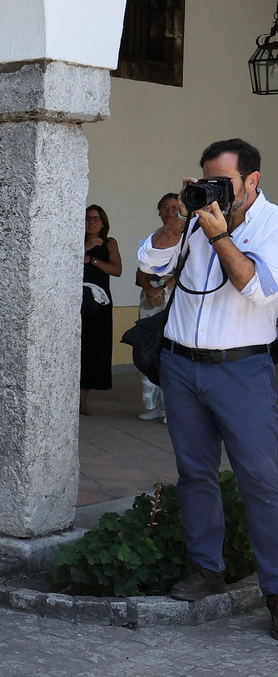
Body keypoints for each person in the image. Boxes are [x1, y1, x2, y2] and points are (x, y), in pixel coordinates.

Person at [139, 139, 278, 641]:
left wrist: (220, 238)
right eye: (207, 181)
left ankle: (276, 590)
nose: (214, 191)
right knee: (195, 472)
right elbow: (150, 265)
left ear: (252, 181)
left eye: (224, 183)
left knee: (261, 480)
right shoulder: (197, 220)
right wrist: (181, 218)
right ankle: (206, 569)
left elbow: (258, 288)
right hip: (181, 365)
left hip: (241, 369)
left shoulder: (273, 224)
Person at [134, 193, 182, 422]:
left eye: (174, 207)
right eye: (165, 207)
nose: (169, 211)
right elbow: (140, 271)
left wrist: (161, 288)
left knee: (168, 351)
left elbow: (182, 272)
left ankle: (169, 407)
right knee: (146, 347)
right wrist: (150, 290)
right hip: (149, 299)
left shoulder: (187, 240)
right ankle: (151, 405)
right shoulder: (152, 239)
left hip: (173, 298)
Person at [81, 204, 123, 414]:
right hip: (78, 302)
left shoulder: (109, 242)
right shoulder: (76, 240)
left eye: (96, 218)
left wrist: (93, 260)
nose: (91, 222)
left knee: (94, 349)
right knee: (79, 348)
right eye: (88, 218)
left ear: (103, 222)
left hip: (100, 303)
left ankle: (82, 400)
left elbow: (117, 270)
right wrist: (86, 248)